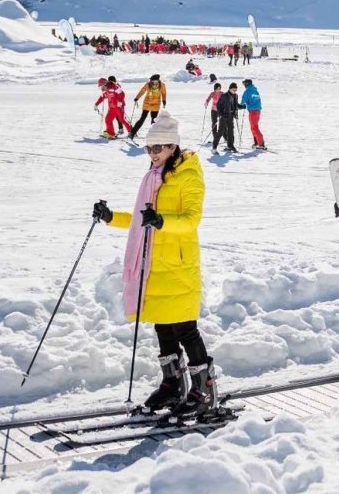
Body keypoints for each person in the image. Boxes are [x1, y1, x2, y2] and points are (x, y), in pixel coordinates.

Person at [92, 115, 219, 414]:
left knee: (186, 328)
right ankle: (172, 386)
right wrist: (111, 217)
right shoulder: (155, 177)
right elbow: (141, 220)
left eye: (159, 147)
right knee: (163, 326)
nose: (154, 153)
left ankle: (205, 390)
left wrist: (161, 221)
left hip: (178, 265)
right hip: (155, 265)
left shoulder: (189, 174)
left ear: (174, 145)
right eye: (149, 148)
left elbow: (191, 220)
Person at [130, 74, 168, 139]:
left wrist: (164, 100)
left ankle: (153, 134)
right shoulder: (148, 84)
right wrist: (137, 97)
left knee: (154, 120)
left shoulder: (162, 85)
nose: (151, 81)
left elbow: (164, 93)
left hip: (155, 105)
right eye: (151, 80)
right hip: (147, 104)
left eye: (152, 80)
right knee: (142, 119)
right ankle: (132, 132)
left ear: (157, 80)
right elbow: (142, 90)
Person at [211, 83, 239, 154]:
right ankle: (214, 147)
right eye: (233, 90)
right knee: (221, 131)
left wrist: (240, 108)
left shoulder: (235, 96)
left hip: (231, 116)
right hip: (224, 116)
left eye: (236, 90)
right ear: (230, 88)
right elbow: (218, 105)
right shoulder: (224, 96)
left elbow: (235, 105)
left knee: (231, 131)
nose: (235, 91)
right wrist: (221, 114)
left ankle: (230, 146)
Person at [240, 78, 265, 150]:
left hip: (253, 111)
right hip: (258, 110)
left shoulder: (247, 91)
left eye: (244, 84)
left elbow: (243, 101)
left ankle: (261, 144)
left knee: (254, 127)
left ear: (247, 84)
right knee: (253, 127)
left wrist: (239, 106)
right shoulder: (255, 90)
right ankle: (257, 142)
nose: (244, 85)